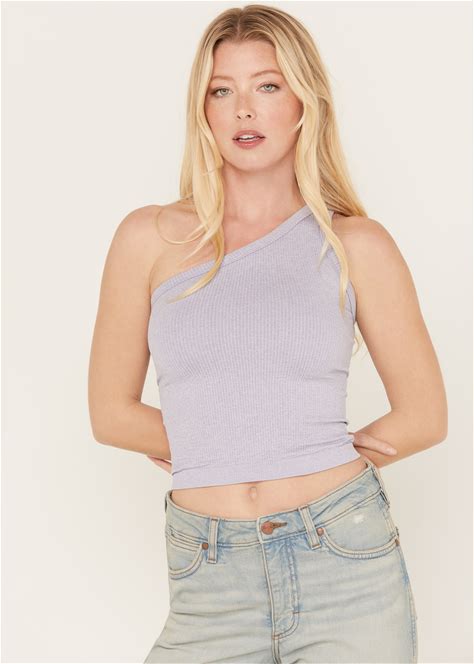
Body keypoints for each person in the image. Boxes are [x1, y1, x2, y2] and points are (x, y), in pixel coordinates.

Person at [88, 5, 447, 663]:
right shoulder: (149, 238)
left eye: (268, 86)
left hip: (346, 559)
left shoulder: (356, 245)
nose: (244, 109)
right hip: (209, 571)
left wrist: (305, 453)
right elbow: (110, 413)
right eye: (222, 90)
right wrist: (230, 442)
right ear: (202, 109)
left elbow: (425, 415)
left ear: (305, 102)